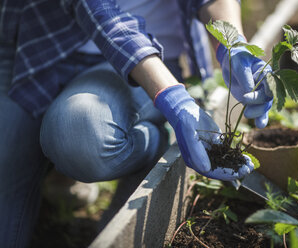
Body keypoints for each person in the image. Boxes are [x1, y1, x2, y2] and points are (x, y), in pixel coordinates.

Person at [0, 0, 273, 246]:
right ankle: (59, 175)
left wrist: (233, 44)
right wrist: (173, 100)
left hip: (149, 63)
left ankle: (149, 142)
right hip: (31, 49)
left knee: (79, 134)